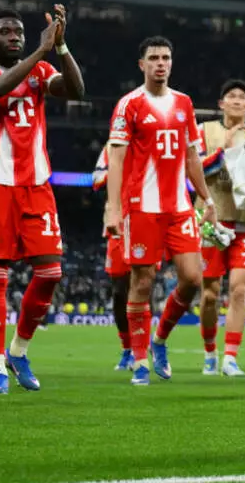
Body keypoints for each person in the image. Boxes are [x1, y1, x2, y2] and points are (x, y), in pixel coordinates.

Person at [0, 6, 85, 394]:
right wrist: (41, 52)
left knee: (50, 273)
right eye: (5, 31)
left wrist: (61, 48)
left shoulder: (42, 69)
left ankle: (19, 350)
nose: (15, 36)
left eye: (19, 31)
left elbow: (77, 90)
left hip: (36, 185)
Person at [104, 36, 217, 386]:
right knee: (142, 281)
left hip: (179, 207)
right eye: (153, 58)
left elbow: (191, 156)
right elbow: (117, 157)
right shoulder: (129, 104)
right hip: (142, 208)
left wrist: (207, 198)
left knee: (193, 279)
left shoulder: (184, 103)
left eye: (166, 57)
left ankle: (159, 340)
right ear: (142, 64)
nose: (161, 63)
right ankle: (139, 361)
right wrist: (113, 208)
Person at [196, 79, 245, 377]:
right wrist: (224, 152)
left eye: (243, 97)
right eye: (232, 96)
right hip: (211, 221)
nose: (237, 101)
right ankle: (209, 352)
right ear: (221, 103)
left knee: (239, 291)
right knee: (210, 295)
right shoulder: (204, 131)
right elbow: (196, 169)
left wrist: (243, 156)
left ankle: (230, 357)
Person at [93, 143, 133, 371]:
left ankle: (142, 345)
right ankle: (127, 347)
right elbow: (97, 179)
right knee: (119, 291)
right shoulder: (111, 146)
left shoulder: (151, 139)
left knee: (142, 284)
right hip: (117, 223)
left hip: (146, 217)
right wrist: (118, 169)